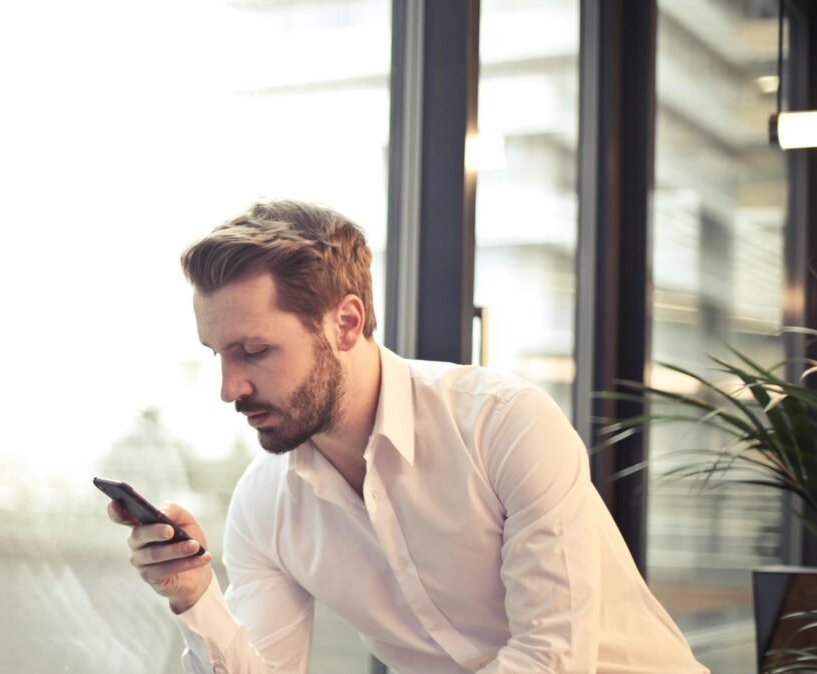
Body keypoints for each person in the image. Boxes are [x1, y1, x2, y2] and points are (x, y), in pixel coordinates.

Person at [106, 200, 707, 673]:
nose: (229, 387)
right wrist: (193, 595)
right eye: (218, 355)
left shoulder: (504, 423)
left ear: (346, 323)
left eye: (255, 351)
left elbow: (552, 657)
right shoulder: (265, 505)